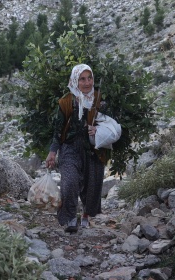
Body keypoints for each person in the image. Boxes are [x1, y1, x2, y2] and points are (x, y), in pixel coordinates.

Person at [45, 64, 109, 234]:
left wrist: (98, 130)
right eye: (82, 79)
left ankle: (86, 214)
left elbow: (109, 124)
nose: (87, 83)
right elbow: (58, 130)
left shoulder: (99, 100)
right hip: (70, 149)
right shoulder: (66, 102)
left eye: (90, 78)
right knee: (70, 182)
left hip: (93, 149)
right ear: (75, 80)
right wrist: (52, 152)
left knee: (92, 184)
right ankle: (70, 217)